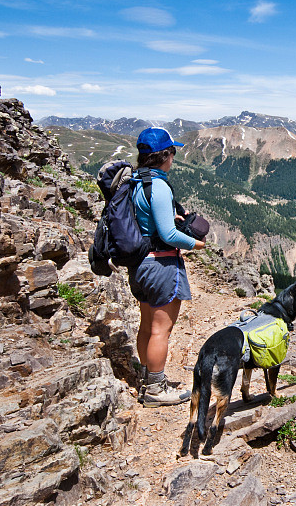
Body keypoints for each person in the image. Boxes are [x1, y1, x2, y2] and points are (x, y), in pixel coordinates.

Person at [129, 127, 205, 407]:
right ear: (164, 155)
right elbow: (169, 235)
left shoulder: (136, 181)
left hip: (139, 264)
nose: (173, 158)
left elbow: (145, 220)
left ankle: (146, 376)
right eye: (172, 152)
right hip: (161, 265)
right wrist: (196, 245)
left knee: (147, 326)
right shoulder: (159, 186)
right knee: (161, 330)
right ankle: (156, 390)